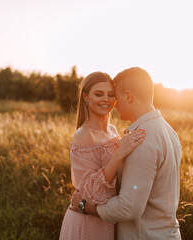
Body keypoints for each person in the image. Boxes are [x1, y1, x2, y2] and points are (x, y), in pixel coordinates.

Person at [70, 67, 182, 239]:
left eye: (114, 95)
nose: (113, 103)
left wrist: (87, 208)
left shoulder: (141, 139)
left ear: (128, 96)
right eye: (100, 94)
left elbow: (128, 207)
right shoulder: (168, 131)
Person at [59, 71, 146, 240]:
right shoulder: (83, 135)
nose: (106, 99)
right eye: (98, 94)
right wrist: (119, 154)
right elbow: (91, 192)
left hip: (107, 219)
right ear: (85, 97)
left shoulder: (113, 130)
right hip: (86, 221)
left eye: (110, 95)